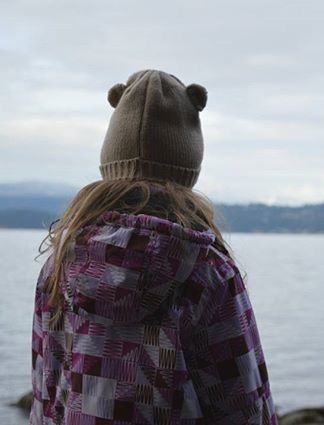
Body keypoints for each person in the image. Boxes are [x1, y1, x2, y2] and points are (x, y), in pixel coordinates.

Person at [29, 69, 278, 424]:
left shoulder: (62, 260)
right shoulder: (205, 268)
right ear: (188, 166)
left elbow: (45, 391)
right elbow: (245, 404)